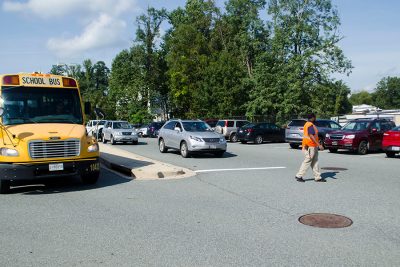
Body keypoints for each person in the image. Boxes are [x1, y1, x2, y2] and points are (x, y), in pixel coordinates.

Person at [295, 113, 326, 182]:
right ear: (312, 118)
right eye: (315, 117)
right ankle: (299, 175)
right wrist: (319, 145)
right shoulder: (310, 125)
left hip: (311, 146)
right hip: (310, 146)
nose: (315, 119)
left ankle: (317, 177)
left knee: (315, 162)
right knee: (308, 160)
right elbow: (311, 135)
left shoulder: (307, 124)